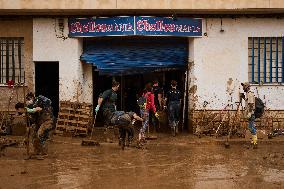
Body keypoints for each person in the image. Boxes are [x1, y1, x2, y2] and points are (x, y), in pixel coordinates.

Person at [15, 92, 54, 159]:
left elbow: (39, 108)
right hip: (39, 122)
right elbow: (29, 125)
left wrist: (30, 110)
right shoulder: (27, 111)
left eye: (28, 99)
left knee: (40, 134)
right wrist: (26, 137)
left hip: (47, 120)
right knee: (34, 136)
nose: (28, 101)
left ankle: (44, 153)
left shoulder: (39, 101)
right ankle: (37, 151)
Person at [241, 82, 257, 148]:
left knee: (251, 127)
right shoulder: (247, 94)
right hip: (249, 113)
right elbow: (248, 102)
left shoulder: (250, 94)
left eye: (244, 86)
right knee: (251, 126)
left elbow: (251, 104)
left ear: (247, 87)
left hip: (251, 113)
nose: (243, 88)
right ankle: (254, 140)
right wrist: (243, 97)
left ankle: (255, 141)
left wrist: (250, 113)